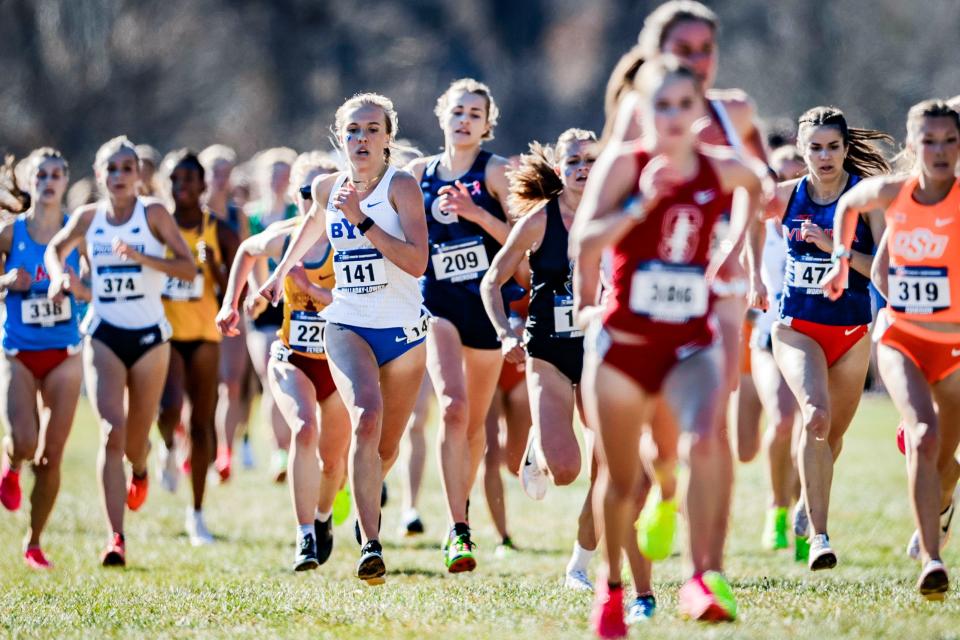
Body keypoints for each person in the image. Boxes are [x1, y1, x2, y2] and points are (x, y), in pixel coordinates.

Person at [571, 58, 765, 635]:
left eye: (686, 105)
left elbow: (759, 184)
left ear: (700, 109)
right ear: (643, 110)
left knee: (707, 438)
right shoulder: (624, 165)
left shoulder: (718, 168)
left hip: (689, 343)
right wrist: (638, 205)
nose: (675, 117)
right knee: (621, 480)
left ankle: (705, 578)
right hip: (623, 347)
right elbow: (585, 239)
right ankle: (610, 589)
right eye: (663, 105)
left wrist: (738, 255)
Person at [262, 93, 429, 585]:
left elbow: (417, 263)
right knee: (365, 417)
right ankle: (370, 544)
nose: (361, 139)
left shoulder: (401, 187)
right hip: (348, 322)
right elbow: (309, 228)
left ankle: (363, 505)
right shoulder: (325, 187)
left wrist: (362, 220)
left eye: (372, 130)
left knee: (386, 448)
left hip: (402, 332)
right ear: (340, 136)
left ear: (387, 139)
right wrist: (281, 274)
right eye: (353, 130)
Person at [823, 99, 960, 599]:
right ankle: (931, 560)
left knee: (946, 464)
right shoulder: (890, 191)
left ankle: (944, 504)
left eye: (949, 141)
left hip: (955, 350)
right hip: (901, 339)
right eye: (929, 141)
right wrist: (840, 260)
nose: (939, 151)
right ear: (911, 146)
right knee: (921, 434)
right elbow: (847, 205)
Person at [44, 136, 196, 567]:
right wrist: (61, 277)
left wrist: (144, 258)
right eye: (110, 169)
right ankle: (116, 538)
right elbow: (57, 250)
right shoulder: (88, 217)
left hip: (149, 338)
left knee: (135, 440)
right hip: (104, 334)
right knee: (111, 431)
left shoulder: (154, 214)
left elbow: (187, 268)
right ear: (98, 175)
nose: (118, 176)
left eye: (126, 168)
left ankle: (142, 468)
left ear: (138, 175)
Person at [764, 107, 891, 570]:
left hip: (853, 332)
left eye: (832, 147)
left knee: (831, 438)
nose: (824, 156)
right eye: (814, 147)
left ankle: (805, 505)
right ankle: (820, 536)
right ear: (801, 150)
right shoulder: (782, 196)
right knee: (815, 417)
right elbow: (736, 228)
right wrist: (748, 272)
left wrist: (833, 248)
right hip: (796, 328)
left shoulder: (865, 197)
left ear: (844, 149)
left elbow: (883, 270)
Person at [481, 129, 600, 589]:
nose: (582, 169)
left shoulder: (615, 217)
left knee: (609, 467)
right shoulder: (538, 221)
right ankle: (540, 444)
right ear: (557, 169)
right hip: (548, 351)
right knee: (567, 471)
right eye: (572, 162)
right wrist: (504, 331)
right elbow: (492, 281)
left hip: (600, 352)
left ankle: (580, 565)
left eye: (590, 160)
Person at [405, 78, 514, 572]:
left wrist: (476, 214)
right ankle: (458, 528)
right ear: (441, 115)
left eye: (475, 112)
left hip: (487, 307)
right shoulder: (416, 174)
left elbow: (524, 240)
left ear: (487, 124)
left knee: (473, 429)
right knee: (451, 407)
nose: (465, 118)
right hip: (439, 304)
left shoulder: (496, 172)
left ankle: (459, 512)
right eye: (457, 110)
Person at [216, 210, 350, 571]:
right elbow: (246, 250)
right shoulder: (286, 237)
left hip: (338, 362)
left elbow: (355, 302)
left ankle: (322, 518)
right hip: (292, 355)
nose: (315, 203)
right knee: (304, 429)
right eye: (307, 195)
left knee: (333, 461)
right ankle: (304, 533)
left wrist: (306, 288)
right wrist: (232, 303)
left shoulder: (350, 234)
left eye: (322, 193)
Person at [0, 148, 88, 569]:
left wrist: (77, 285)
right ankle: (11, 462)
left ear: (66, 182)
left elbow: (95, 287)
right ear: (30, 181)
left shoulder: (77, 232)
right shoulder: (9, 233)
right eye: (41, 175)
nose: (48, 181)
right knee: (26, 442)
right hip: (18, 352)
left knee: (51, 455)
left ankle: (34, 542)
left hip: (64, 353)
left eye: (56, 174)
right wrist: (5, 281)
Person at [155, 149, 239, 544]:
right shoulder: (156, 227)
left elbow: (234, 288)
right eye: (175, 179)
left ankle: (198, 512)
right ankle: (168, 447)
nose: (182, 186)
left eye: (189, 179)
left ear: (203, 185)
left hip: (205, 333)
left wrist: (213, 266)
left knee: (203, 424)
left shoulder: (217, 230)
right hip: (167, 332)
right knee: (170, 406)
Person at [747, 146, 804, 553]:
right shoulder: (756, 227)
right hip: (768, 337)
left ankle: (804, 510)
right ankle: (777, 510)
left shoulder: (820, 219)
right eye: (777, 176)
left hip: (814, 336)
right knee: (783, 421)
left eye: (793, 176)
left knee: (813, 429)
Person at [198, 144, 253, 481]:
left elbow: (246, 260)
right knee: (198, 386)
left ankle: (225, 451)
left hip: (230, 307)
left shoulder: (238, 216)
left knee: (231, 384)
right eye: (213, 171)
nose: (220, 179)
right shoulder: (191, 216)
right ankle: (186, 446)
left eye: (225, 172)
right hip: (195, 310)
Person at [246, 147, 299, 482]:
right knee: (270, 378)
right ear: (261, 179)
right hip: (263, 306)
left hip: (297, 302)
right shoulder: (250, 217)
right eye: (273, 174)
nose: (278, 180)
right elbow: (245, 256)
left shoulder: (302, 211)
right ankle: (280, 453)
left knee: (298, 377)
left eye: (285, 174)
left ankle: (300, 444)